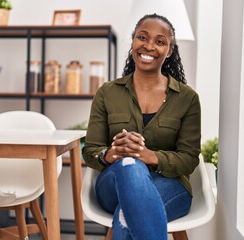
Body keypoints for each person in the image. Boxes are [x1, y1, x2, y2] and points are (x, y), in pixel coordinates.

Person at [82, 13, 201, 240]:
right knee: (130, 164)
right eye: (142, 37)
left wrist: (149, 156)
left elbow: (189, 158)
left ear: (170, 51)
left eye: (160, 41)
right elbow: (90, 151)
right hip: (113, 184)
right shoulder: (107, 93)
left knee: (127, 214)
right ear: (133, 41)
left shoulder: (187, 98)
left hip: (170, 185)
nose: (148, 46)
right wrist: (111, 154)